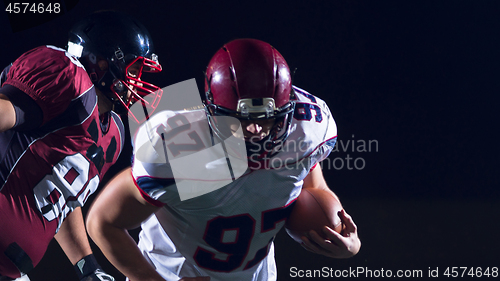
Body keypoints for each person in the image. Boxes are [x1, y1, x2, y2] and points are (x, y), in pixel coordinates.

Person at [86, 38, 361, 281]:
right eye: (243, 121)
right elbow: (102, 222)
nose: (256, 132)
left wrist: (348, 240)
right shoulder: (184, 150)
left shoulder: (307, 131)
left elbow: (312, 185)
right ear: (213, 113)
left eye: (268, 118)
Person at [0, 10, 162, 281]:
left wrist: (88, 268)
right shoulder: (68, 75)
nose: (138, 82)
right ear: (100, 63)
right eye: (134, 69)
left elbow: (61, 197)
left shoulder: (114, 135)